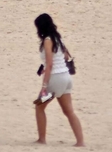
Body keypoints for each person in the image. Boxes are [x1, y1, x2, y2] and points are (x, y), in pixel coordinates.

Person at [32, 13, 84, 147]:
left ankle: (42, 139)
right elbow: (65, 57)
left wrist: (44, 86)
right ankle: (80, 141)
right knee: (69, 112)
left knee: (39, 107)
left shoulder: (47, 40)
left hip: (55, 79)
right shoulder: (58, 39)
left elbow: (50, 64)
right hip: (66, 78)